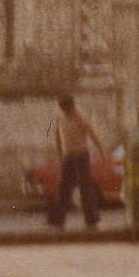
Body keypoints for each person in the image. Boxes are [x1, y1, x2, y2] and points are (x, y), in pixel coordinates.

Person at [48, 93, 106, 229]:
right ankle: (58, 219)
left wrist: (101, 151)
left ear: (72, 105)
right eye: (62, 108)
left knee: (85, 187)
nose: (65, 110)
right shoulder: (59, 116)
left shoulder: (81, 117)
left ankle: (91, 220)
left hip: (81, 155)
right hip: (67, 156)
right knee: (62, 187)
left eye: (67, 107)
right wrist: (59, 154)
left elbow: (92, 134)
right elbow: (57, 135)